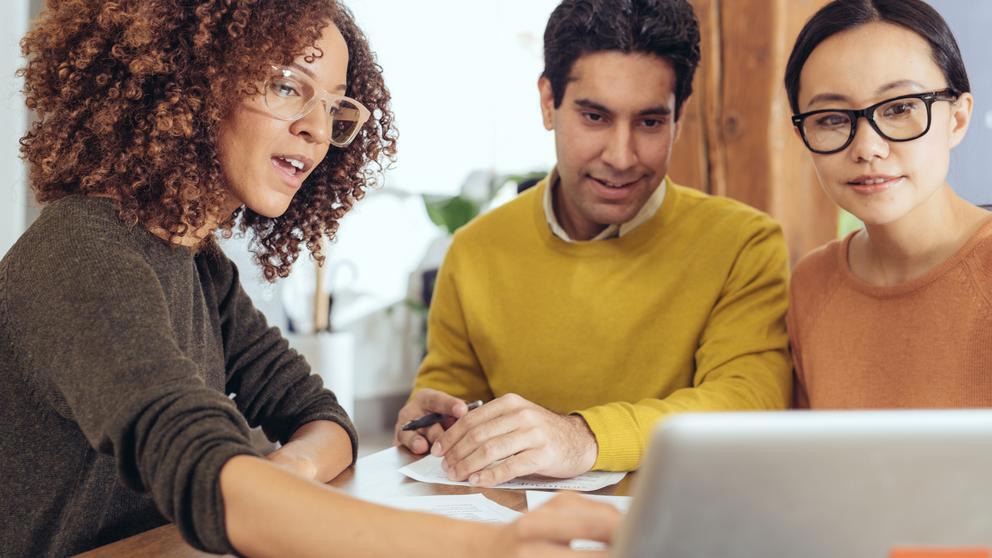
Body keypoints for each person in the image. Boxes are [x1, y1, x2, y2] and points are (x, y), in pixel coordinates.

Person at [0, 1, 620, 557]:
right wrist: (489, 546)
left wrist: (287, 475)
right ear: (192, 83)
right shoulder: (80, 255)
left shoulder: (200, 266)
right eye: (286, 87)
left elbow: (321, 417)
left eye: (333, 106)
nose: (318, 131)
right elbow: (208, 477)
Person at [396, 0, 793, 487]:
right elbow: (451, 394)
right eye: (595, 117)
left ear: (679, 118)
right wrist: (434, 419)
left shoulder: (742, 245)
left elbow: (747, 403)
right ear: (548, 103)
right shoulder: (476, 250)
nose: (621, 157)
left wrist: (582, 438)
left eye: (650, 122)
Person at [785, 0, 989, 408]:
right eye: (831, 118)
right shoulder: (812, 284)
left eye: (899, 109)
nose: (867, 148)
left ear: (958, 119)